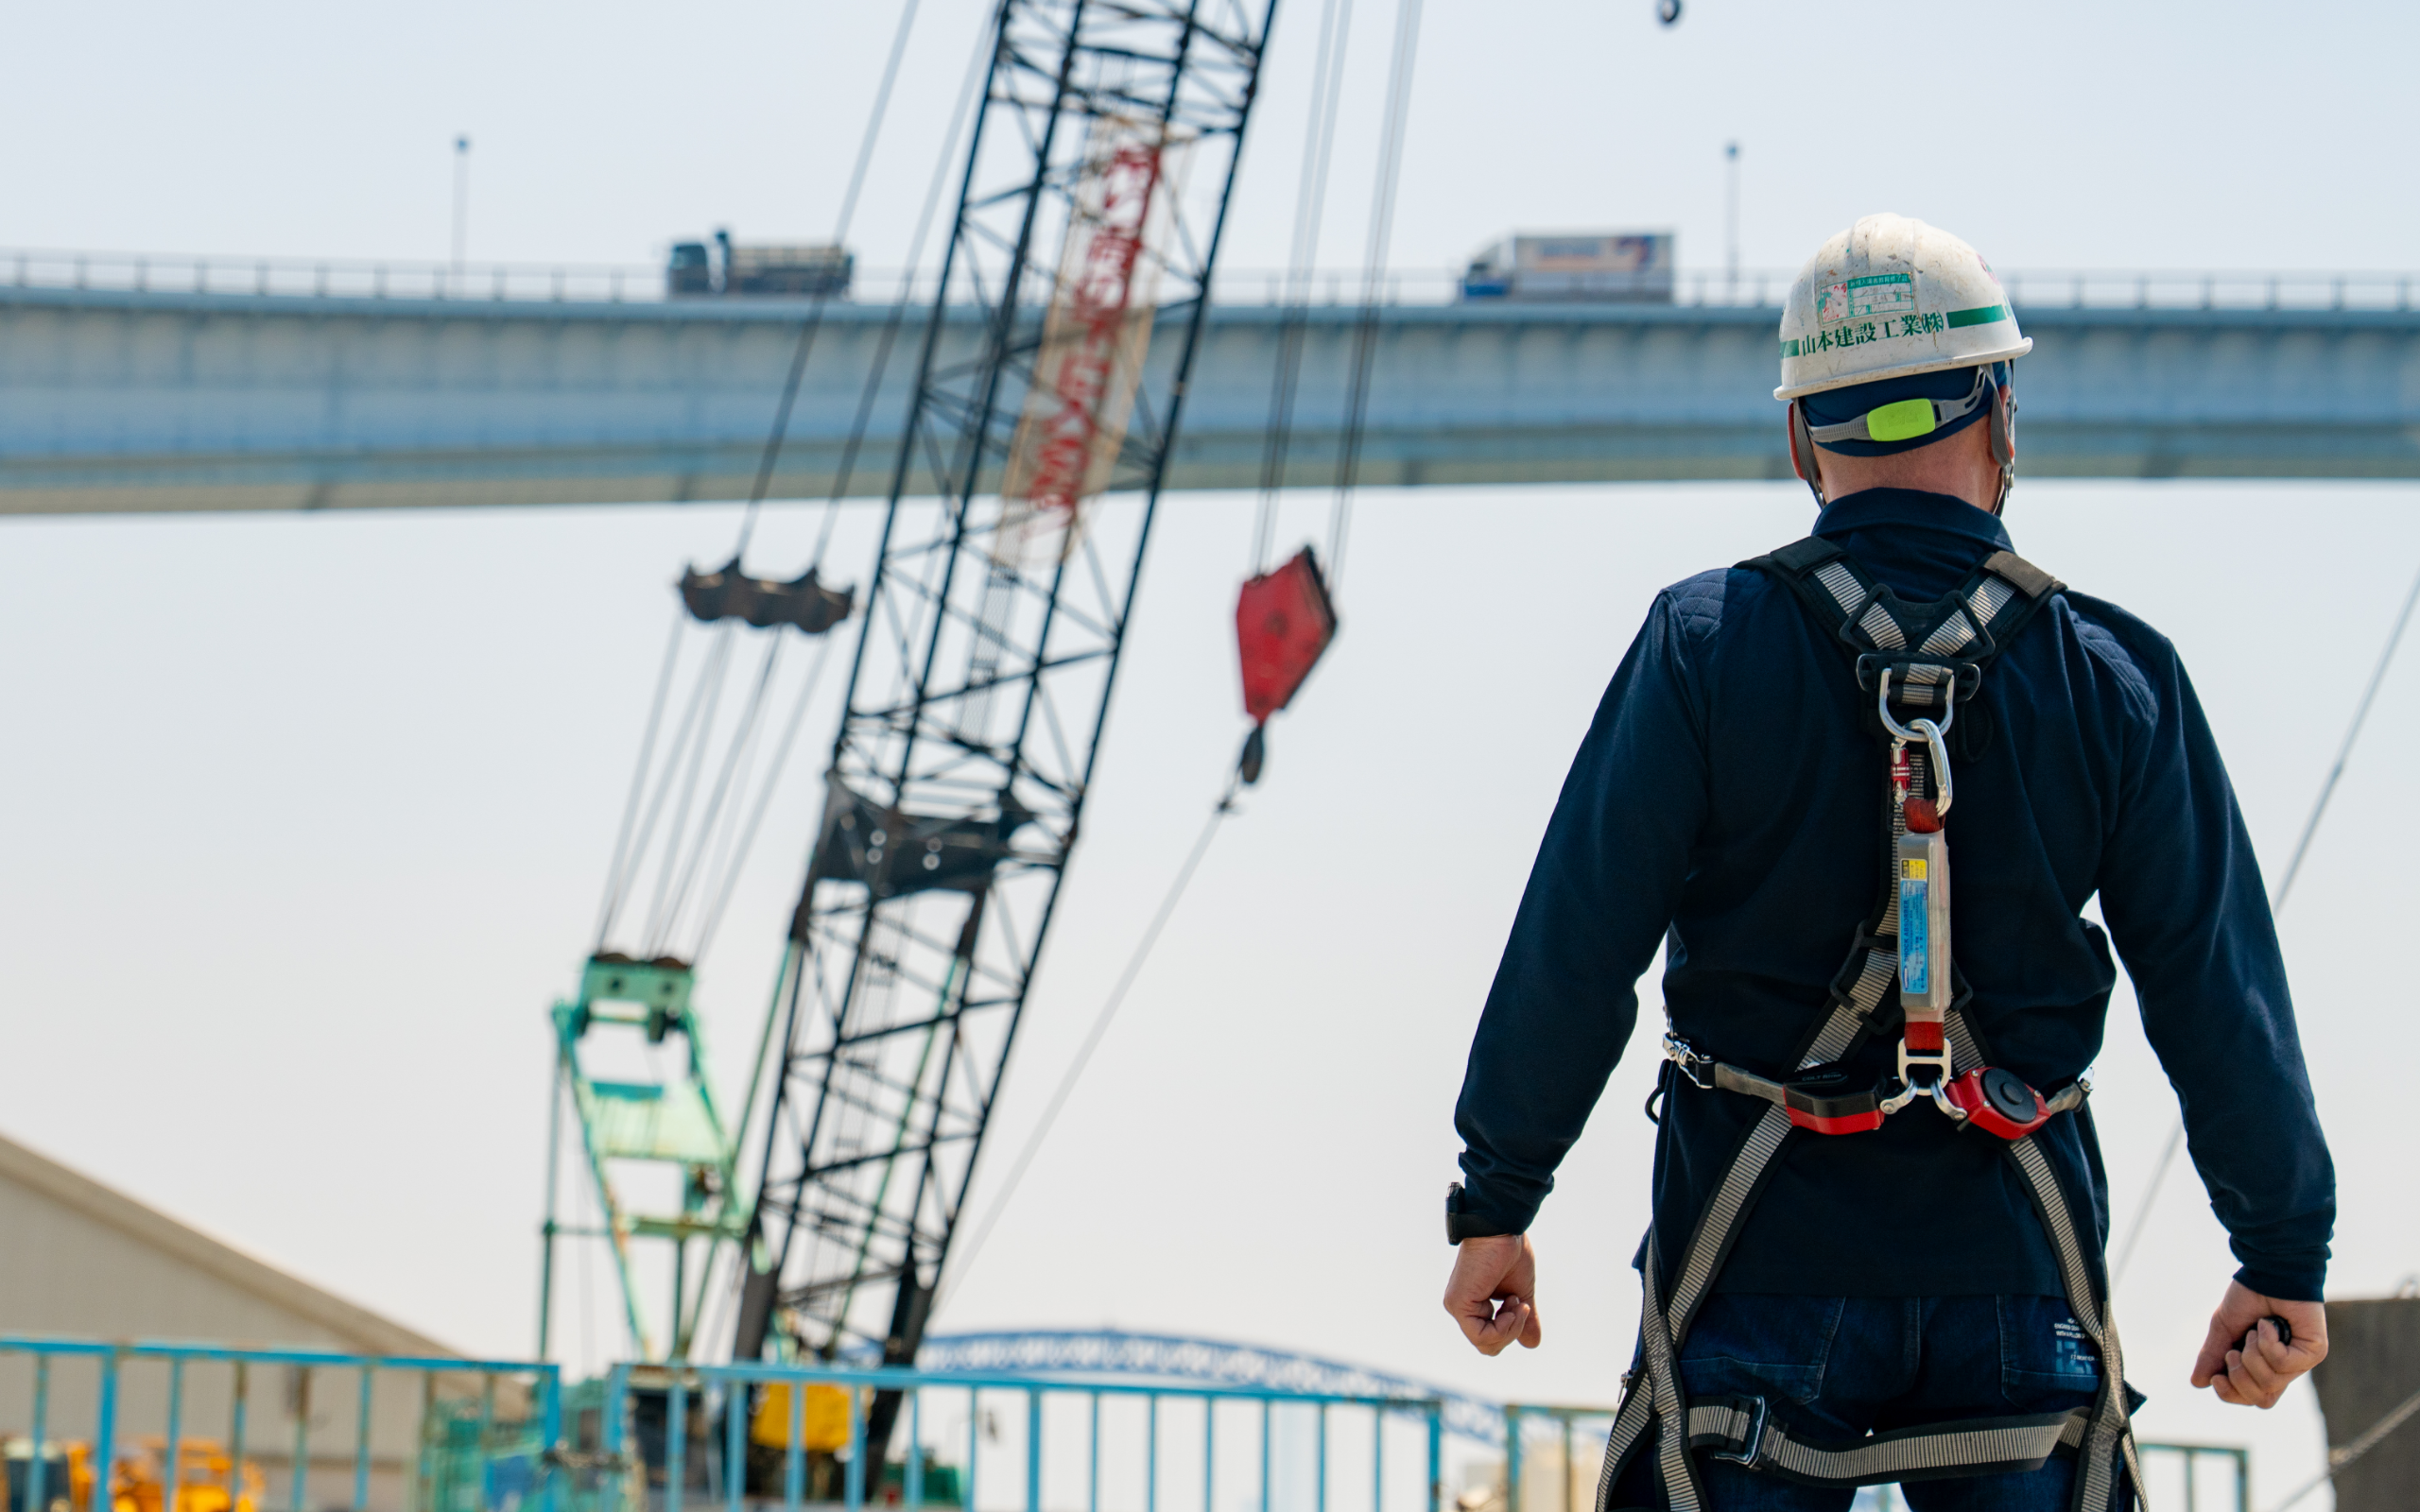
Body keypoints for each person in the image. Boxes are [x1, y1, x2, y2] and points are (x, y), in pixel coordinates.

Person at [1440, 214, 2335, 1511]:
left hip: (1753, 1266)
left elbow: (1577, 943)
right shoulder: (2114, 676)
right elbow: (2216, 992)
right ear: (2004, 412)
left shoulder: (1702, 648)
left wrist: (1499, 1195)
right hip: (2018, 1288)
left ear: (1803, 435)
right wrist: (2279, 1252)